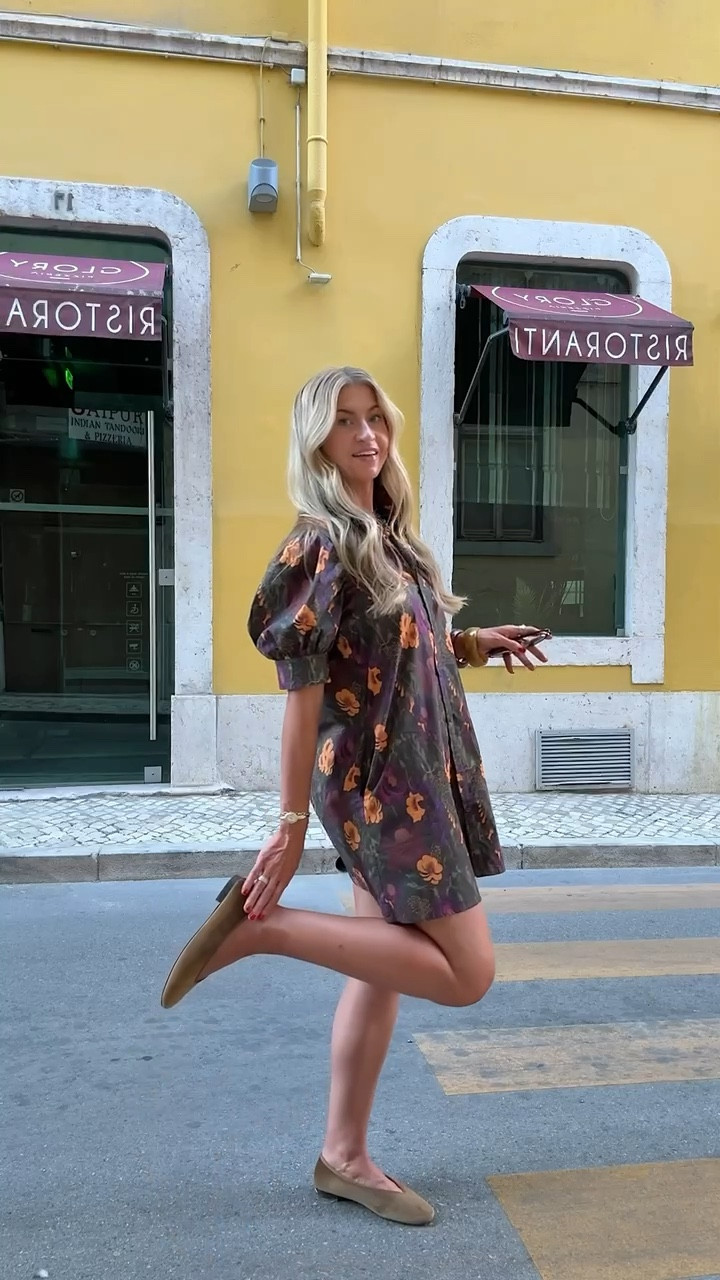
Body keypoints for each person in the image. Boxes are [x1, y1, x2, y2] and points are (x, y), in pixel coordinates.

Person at [161, 366, 548, 1225]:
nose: (367, 435)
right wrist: (289, 828)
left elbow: (396, 641)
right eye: (345, 422)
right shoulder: (318, 546)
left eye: (375, 419)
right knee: (467, 974)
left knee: (379, 973)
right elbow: (300, 702)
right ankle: (263, 934)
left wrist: (473, 644)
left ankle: (343, 1155)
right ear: (316, 440)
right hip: (382, 788)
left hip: (416, 772)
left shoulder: (382, 533)